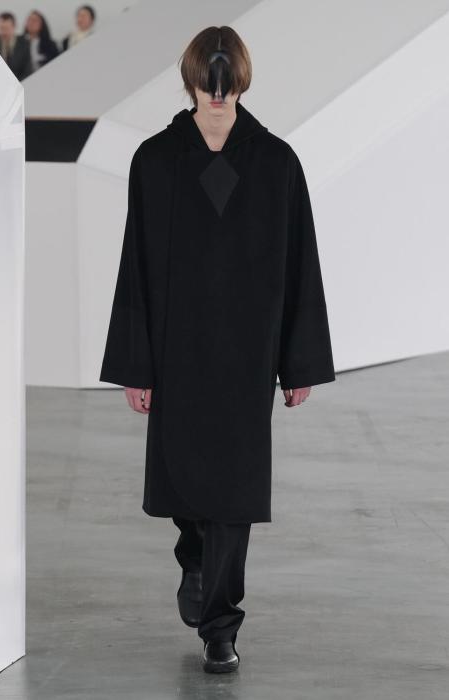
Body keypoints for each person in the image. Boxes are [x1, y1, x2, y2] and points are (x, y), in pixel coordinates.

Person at [99, 25, 335, 673]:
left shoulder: (276, 163)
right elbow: (136, 266)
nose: (217, 94)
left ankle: (221, 625)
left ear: (241, 83)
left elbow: (300, 265)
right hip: (177, 351)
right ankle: (194, 560)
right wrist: (136, 365)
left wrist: (298, 363)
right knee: (184, 482)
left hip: (246, 355)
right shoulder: (155, 161)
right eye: (208, 81)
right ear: (192, 81)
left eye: (226, 83)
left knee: (233, 490)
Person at [0, 12, 32, 81]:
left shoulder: (23, 44)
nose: (4, 32)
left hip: (19, 82)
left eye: (7, 28)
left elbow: (27, 70)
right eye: (1, 28)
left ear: (14, 27)